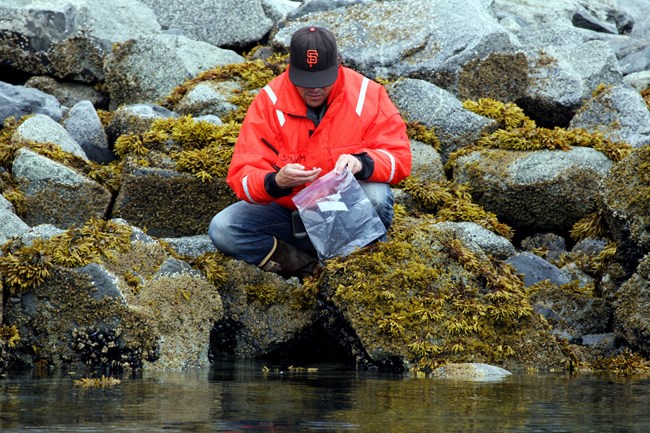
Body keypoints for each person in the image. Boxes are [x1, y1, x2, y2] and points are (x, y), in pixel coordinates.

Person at [208, 26, 411, 280]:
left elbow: (399, 158)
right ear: (290, 68)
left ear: (338, 66)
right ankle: (310, 271)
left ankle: (358, 270)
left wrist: (362, 164)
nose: (314, 90)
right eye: (305, 82)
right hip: (289, 213)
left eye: (322, 81)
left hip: (344, 210)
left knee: (376, 196)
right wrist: (276, 181)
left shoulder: (368, 95)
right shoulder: (269, 101)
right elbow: (243, 176)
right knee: (224, 228)